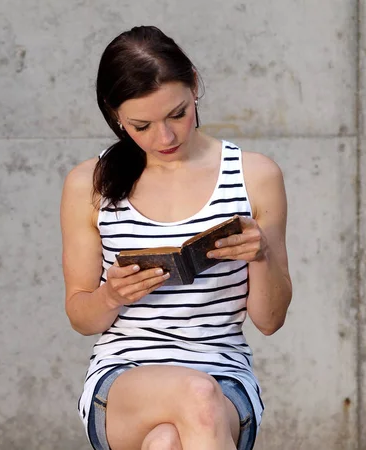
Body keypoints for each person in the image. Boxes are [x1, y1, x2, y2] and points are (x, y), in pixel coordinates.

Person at [60, 26, 292, 450]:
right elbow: (81, 316)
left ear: (195, 87)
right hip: (123, 378)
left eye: (177, 114)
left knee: (168, 440)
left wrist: (263, 255)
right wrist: (111, 295)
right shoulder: (88, 184)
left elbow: (270, 321)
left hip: (223, 377)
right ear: (115, 116)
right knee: (195, 396)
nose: (164, 138)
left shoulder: (254, 177)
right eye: (141, 125)